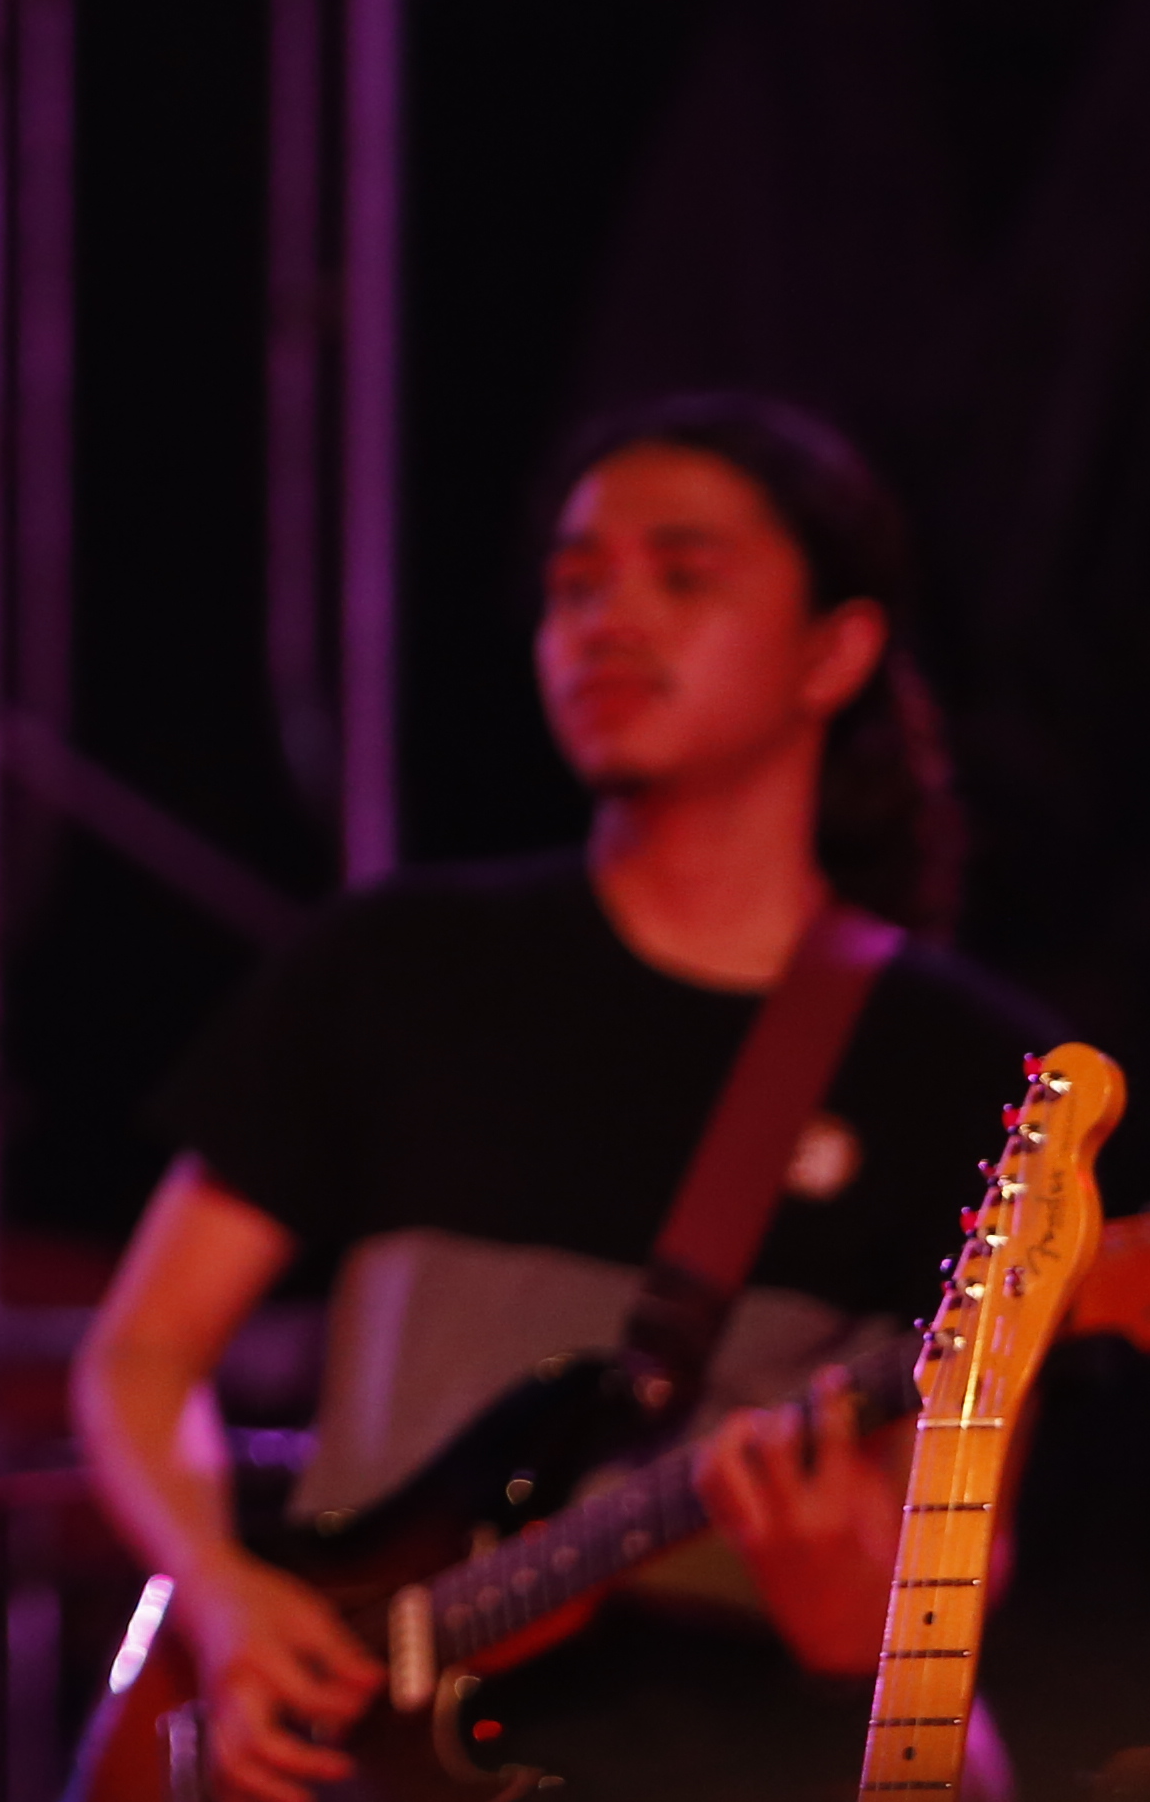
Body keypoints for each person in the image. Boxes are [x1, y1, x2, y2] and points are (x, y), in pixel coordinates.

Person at [71, 393, 1061, 1801]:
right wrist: (222, 1589)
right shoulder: (397, 965)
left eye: (683, 576)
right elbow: (140, 1356)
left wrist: (864, 1621)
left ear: (836, 650)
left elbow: (957, 1557)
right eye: (576, 585)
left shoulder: (971, 1072)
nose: (608, 620)